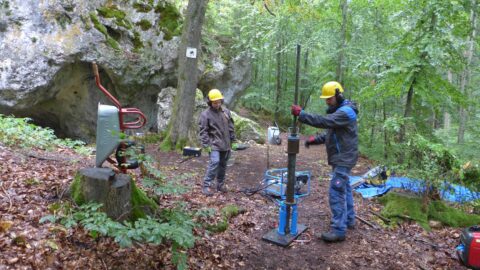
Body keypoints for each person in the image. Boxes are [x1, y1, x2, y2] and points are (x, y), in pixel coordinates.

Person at [291, 81, 358, 242]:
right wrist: (314, 140)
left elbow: (326, 121)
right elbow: (332, 133)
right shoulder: (340, 111)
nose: (327, 101)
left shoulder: (346, 112)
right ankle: (349, 220)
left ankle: (339, 230)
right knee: (345, 189)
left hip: (344, 158)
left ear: (338, 95)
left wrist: (302, 114)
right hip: (342, 157)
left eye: (329, 98)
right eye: (325, 99)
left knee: (336, 191)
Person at [198, 89, 236, 196]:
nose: (217, 104)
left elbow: (231, 127)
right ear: (210, 102)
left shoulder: (226, 112)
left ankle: (220, 184)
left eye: (219, 102)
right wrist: (206, 144)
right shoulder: (205, 114)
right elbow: (203, 131)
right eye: (215, 102)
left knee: (223, 164)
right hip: (214, 144)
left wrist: (233, 140)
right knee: (215, 162)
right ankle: (206, 185)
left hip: (226, 144)